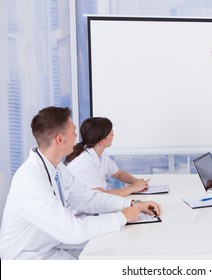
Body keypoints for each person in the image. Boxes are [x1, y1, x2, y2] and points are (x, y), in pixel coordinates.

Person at [0, 107, 161, 260]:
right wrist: (121, 217)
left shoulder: (57, 168)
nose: (77, 136)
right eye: (74, 131)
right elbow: (72, 230)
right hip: (25, 256)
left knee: (111, 249)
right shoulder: (30, 180)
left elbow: (88, 198)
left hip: (51, 243)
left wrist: (131, 204)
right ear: (60, 139)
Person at [65, 117, 148, 197]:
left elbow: (119, 174)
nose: (113, 135)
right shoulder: (84, 162)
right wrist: (133, 188)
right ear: (101, 141)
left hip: (95, 207)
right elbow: (100, 195)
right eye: (111, 133)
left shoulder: (99, 155)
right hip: (84, 210)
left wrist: (136, 181)